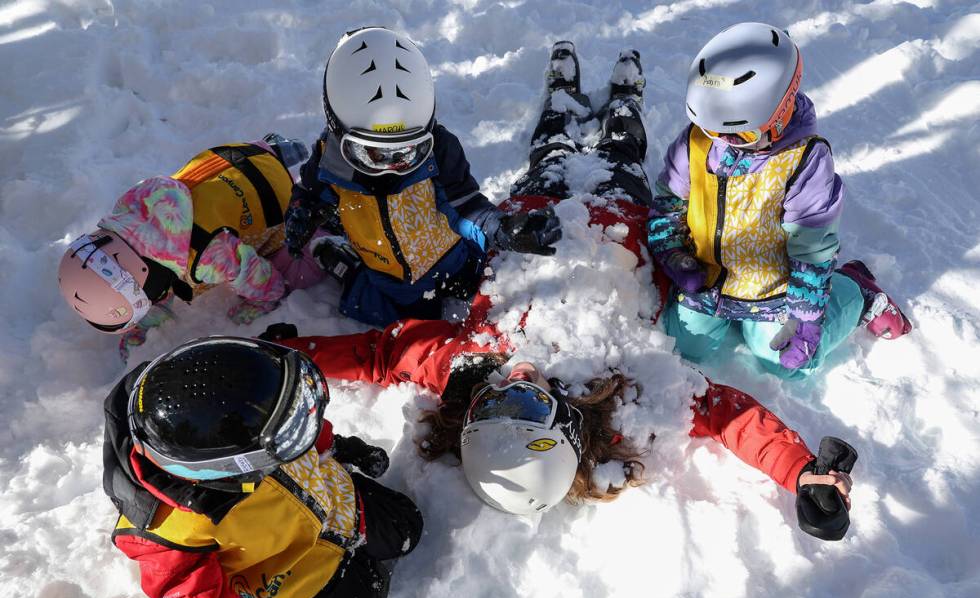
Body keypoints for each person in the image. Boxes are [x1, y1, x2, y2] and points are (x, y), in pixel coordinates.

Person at [259, 42, 856, 538]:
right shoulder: (626, 391)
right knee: (623, 149)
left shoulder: (465, 367)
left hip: (533, 213)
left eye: (491, 406)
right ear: (568, 423)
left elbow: (382, 355)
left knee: (551, 146)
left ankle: (562, 98)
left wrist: (295, 355)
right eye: (528, 407)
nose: (512, 386)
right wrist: (800, 471)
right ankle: (624, 102)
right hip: (621, 211)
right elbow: (729, 417)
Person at [103, 335, 423, 598]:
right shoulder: (168, 538)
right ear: (232, 468)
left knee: (407, 526)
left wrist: (334, 445)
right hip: (296, 578)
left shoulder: (225, 396)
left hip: (335, 501)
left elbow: (292, 421)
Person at [647, 23, 912, 379]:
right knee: (687, 348)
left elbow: (811, 249)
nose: (723, 140)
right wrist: (673, 253)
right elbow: (668, 203)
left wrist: (806, 318)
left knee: (782, 362)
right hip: (710, 282)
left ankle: (855, 293)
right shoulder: (698, 141)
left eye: (739, 132)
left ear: (782, 111)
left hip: (775, 292)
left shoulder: (805, 160)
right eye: (712, 128)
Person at [282, 26, 561, 328]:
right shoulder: (328, 161)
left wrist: (502, 228)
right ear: (338, 127)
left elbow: (466, 205)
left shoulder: (439, 148)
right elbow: (308, 194)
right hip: (388, 282)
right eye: (371, 153)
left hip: (456, 264)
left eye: (409, 150)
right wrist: (303, 213)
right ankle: (342, 265)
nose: (392, 165)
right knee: (382, 313)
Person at [57, 134, 323, 361]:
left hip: (277, 198)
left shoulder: (207, 255)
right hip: (233, 158)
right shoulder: (131, 210)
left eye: (146, 301)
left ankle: (293, 177)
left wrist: (265, 298)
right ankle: (272, 151)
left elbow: (253, 272)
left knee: (290, 262)